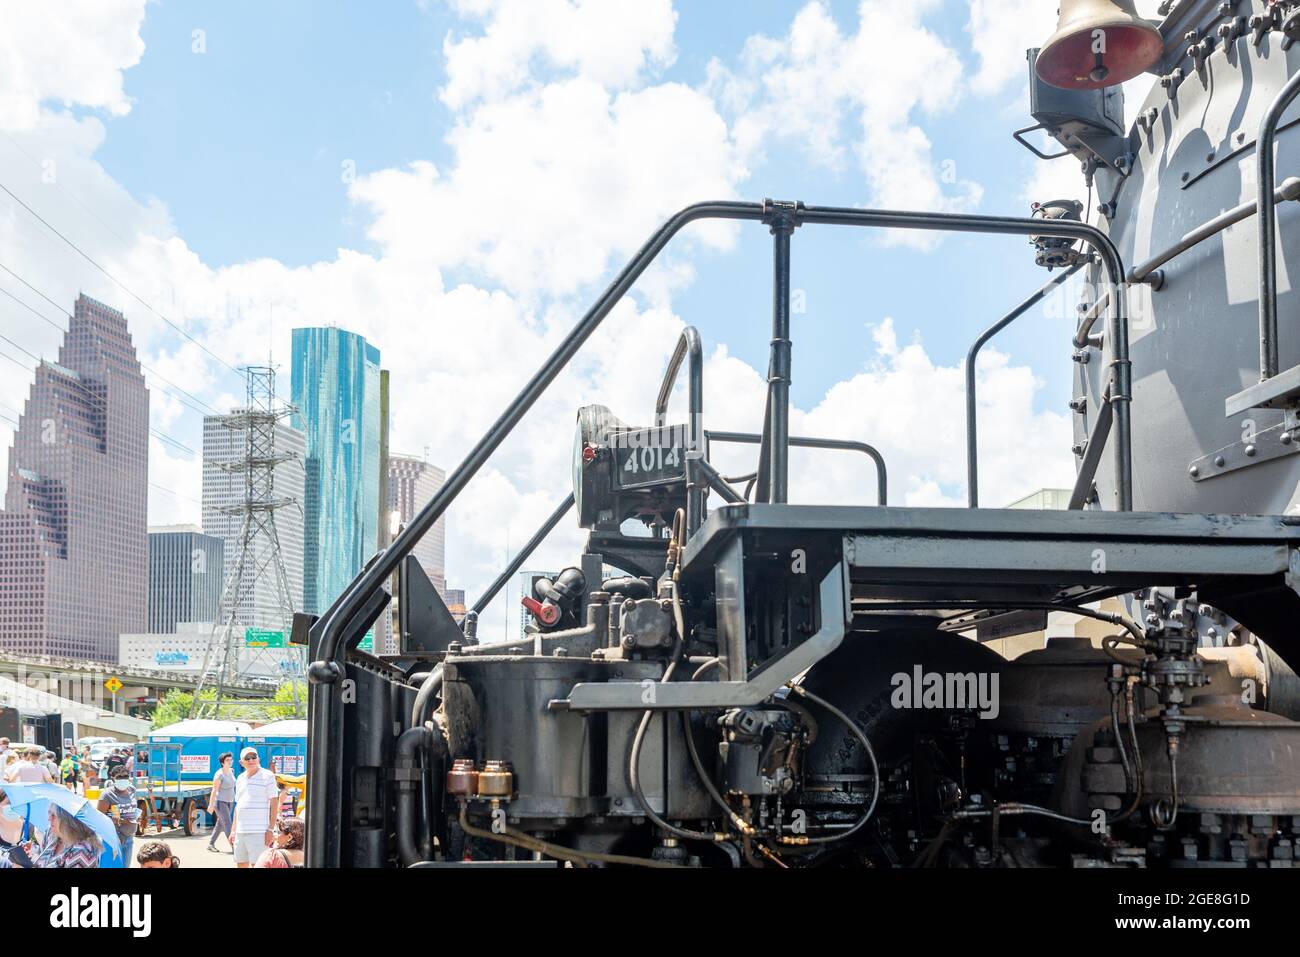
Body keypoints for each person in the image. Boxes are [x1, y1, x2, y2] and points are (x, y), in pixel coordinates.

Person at [0, 804, 100, 868]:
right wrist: (31, 856)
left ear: (68, 821)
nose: (49, 819)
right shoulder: (53, 834)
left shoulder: (82, 851)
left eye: (54, 816)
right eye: (49, 814)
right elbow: (43, 861)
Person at [230, 747, 282, 868]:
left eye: (254, 757)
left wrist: (270, 829)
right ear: (241, 762)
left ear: (258, 759)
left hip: (259, 831)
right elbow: (239, 805)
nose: (251, 760)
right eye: (247, 758)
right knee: (241, 863)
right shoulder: (240, 778)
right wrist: (233, 830)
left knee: (258, 864)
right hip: (241, 831)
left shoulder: (268, 776)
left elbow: (274, 802)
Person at [97, 766, 141, 867]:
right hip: (113, 838)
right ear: (113, 778)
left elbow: (133, 808)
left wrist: (135, 816)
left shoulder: (132, 790)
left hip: (129, 837)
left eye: (125, 776)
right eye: (119, 777)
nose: (123, 779)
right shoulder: (107, 795)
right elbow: (99, 818)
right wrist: (121, 821)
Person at [206, 752, 236, 854]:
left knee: (220, 824)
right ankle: (234, 847)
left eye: (231, 760)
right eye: (227, 760)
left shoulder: (232, 771)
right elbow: (214, 790)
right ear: (222, 762)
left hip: (230, 801)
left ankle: (210, 844)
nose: (230, 761)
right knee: (227, 823)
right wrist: (211, 804)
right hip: (220, 802)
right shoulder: (219, 774)